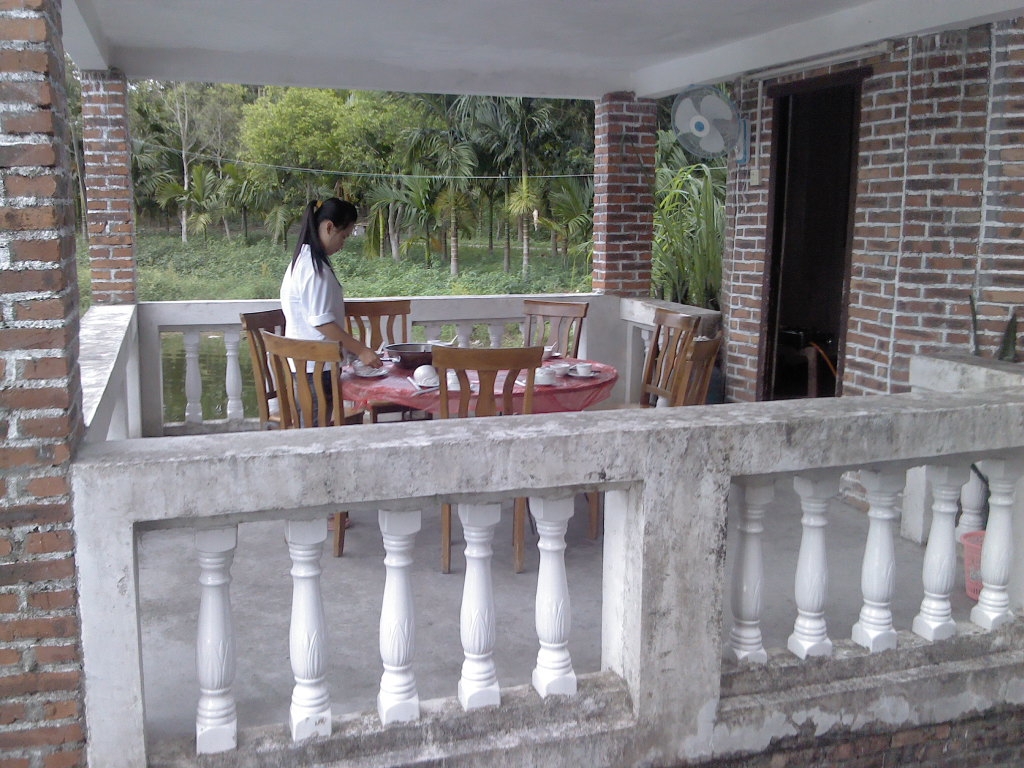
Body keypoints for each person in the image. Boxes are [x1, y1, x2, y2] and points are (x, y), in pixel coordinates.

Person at [280, 197, 383, 368]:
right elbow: (322, 322)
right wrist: (361, 350)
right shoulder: (315, 269)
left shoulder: (302, 261)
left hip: (304, 365)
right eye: (343, 236)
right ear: (329, 227)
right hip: (317, 369)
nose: (342, 245)